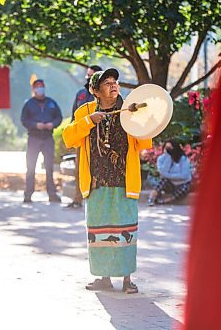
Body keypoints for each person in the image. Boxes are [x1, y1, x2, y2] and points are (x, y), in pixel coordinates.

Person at [62, 68, 152, 294]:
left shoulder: (129, 109)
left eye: (115, 82)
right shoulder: (85, 111)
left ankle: (127, 279)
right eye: (107, 83)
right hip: (96, 183)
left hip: (124, 183)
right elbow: (69, 138)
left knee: (126, 232)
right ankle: (104, 278)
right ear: (95, 90)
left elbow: (145, 144)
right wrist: (89, 121)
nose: (114, 85)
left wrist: (143, 121)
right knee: (99, 233)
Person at [66, 65, 102, 209]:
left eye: (92, 75)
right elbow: (74, 116)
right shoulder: (81, 94)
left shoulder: (103, 95)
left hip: (98, 139)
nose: (88, 77)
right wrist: (71, 136)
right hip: (82, 137)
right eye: (88, 74)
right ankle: (77, 199)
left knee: (97, 170)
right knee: (79, 170)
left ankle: (95, 201)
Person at [20, 79, 63, 203]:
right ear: (33, 89)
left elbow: (58, 117)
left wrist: (52, 124)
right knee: (30, 167)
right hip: (34, 138)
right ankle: (28, 194)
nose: (40, 89)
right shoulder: (29, 104)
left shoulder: (51, 103)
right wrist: (35, 125)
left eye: (42, 87)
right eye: (37, 87)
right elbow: (24, 120)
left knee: (49, 168)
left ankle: (52, 194)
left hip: (48, 138)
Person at [147, 140, 192, 206]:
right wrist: (168, 157)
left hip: (182, 183)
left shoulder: (183, 159)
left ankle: (165, 201)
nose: (168, 150)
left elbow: (184, 176)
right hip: (169, 184)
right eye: (166, 148)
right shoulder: (161, 159)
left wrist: (167, 175)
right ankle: (151, 199)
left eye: (170, 148)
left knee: (185, 188)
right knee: (162, 181)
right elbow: (163, 172)